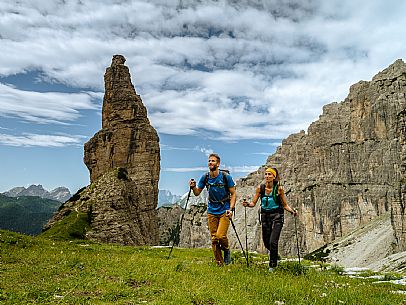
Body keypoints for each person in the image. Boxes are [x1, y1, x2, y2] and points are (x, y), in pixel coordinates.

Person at [242, 167, 298, 271]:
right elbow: (253, 203)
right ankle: (276, 256)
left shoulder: (279, 189)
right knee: (266, 242)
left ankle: (272, 266)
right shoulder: (260, 188)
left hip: (277, 216)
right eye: (266, 174)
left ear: (274, 176)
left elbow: (285, 205)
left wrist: (292, 211)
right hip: (265, 216)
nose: (267, 176)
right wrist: (247, 204)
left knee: (273, 241)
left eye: (270, 174)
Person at [189, 153, 236, 266]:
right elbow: (197, 193)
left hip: (224, 209)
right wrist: (193, 187)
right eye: (209, 161)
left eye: (213, 161)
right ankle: (219, 264)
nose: (210, 162)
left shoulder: (226, 177)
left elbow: (233, 193)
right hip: (211, 210)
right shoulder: (205, 177)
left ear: (218, 164)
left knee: (220, 236)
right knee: (214, 238)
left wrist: (231, 209)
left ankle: (227, 249)